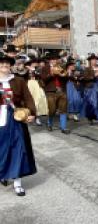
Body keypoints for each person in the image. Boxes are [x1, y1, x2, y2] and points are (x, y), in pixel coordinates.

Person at [0, 52, 37, 196]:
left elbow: (28, 98)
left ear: (10, 66)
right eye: (1, 63)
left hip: (16, 118)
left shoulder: (18, 81)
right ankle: (3, 173)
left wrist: (31, 113)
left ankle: (17, 183)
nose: (4, 65)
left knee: (18, 148)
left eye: (7, 63)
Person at [41, 52, 70, 134]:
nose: (54, 61)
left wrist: (64, 76)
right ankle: (49, 124)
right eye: (52, 59)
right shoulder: (45, 68)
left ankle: (63, 128)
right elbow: (43, 79)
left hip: (62, 90)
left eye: (55, 59)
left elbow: (67, 79)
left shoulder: (61, 66)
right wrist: (51, 74)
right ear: (50, 60)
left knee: (63, 109)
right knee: (52, 110)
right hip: (51, 92)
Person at [26, 59, 48, 126]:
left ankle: (37, 117)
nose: (35, 64)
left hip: (37, 84)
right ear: (31, 63)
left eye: (36, 62)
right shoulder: (26, 69)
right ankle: (29, 116)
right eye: (34, 62)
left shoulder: (39, 69)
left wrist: (34, 70)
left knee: (39, 99)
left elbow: (40, 75)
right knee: (30, 101)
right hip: (29, 84)